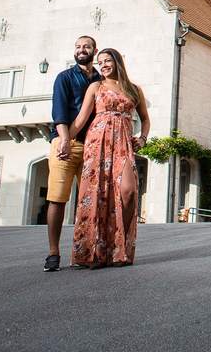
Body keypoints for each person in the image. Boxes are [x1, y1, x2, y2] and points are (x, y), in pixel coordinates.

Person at [68, 47, 151, 268]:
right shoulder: (96, 87)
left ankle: (119, 247)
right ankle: (93, 252)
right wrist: (65, 139)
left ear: (117, 62)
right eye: (100, 62)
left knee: (128, 191)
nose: (103, 65)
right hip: (98, 143)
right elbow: (81, 118)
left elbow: (145, 119)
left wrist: (143, 138)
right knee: (96, 195)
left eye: (107, 61)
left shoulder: (134, 89)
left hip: (124, 144)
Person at [43, 35, 102, 272]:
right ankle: (53, 253)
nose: (81, 50)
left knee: (89, 200)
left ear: (94, 51)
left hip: (92, 145)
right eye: (77, 47)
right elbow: (59, 110)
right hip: (65, 142)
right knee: (57, 197)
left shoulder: (101, 79)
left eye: (86, 46)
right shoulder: (65, 77)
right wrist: (65, 139)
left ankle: (86, 252)